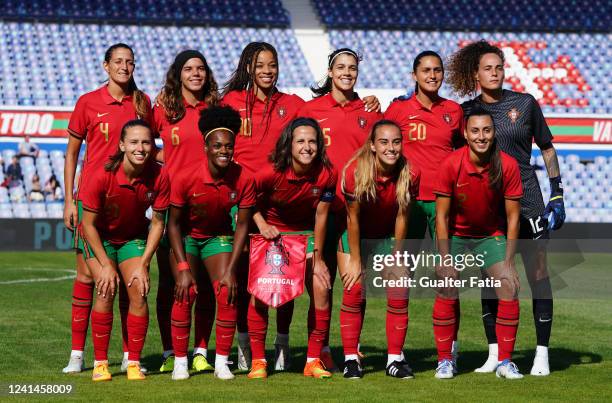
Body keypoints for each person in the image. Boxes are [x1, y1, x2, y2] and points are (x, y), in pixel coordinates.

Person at [448, 40, 564, 376]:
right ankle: (495, 353)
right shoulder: (466, 112)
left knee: (538, 274)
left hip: (527, 200)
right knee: (492, 279)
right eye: (487, 68)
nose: (494, 73)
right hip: (489, 205)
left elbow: (547, 148)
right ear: (475, 74)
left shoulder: (525, 104)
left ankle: (541, 354)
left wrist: (557, 192)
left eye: (499, 67)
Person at [62, 43, 152, 374]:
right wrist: (70, 199)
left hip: (128, 198)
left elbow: (149, 150)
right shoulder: (87, 102)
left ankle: (131, 357)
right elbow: (72, 153)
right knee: (89, 276)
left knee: (130, 284)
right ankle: (77, 354)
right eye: (118, 61)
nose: (124, 67)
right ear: (105, 66)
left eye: (130, 62)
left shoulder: (142, 103)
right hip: (92, 200)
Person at [299, 47, 383, 371]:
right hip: (317, 211)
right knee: (321, 286)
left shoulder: (370, 111)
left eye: (352, 67)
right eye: (341, 67)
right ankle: (318, 352)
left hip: (353, 215)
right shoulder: (311, 110)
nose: (347, 72)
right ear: (331, 72)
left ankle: (353, 349)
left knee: (353, 283)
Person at [434, 109, 524, 379]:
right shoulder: (451, 164)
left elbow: (513, 217)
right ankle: (445, 360)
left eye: (486, 130)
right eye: (475, 131)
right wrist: (444, 259)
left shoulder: (507, 164)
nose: (481, 136)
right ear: (465, 133)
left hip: (489, 235)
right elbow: (442, 216)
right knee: (446, 284)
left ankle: (505, 362)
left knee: (508, 284)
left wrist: (508, 262)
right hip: (456, 236)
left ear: (494, 133)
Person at [167, 105, 254, 380]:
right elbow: (174, 224)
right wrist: (182, 267)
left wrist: (231, 268)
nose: (224, 151)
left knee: (228, 291)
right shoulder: (185, 176)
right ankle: (181, 361)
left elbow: (242, 225)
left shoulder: (244, 177)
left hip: (218, 238)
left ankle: (221, 363)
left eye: (229, 146)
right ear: (206, 147)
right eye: (217, 146)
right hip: (188, 239)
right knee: (186, 291)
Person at [79, 119, 169, 381]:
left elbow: (158, 223)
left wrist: (143, 263)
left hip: (132, 238)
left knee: (139, 291)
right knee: (106, 289)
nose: (140, 148)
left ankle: (133, 363)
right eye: (134, 142)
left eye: (146, 142)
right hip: (100, 238)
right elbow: (88, 225)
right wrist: (106, 264)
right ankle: (100, 364)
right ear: (121, 145)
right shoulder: (100, 174)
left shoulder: (161, 174)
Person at [247, 117, 336, 380]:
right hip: (270, 233)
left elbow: (321, 216)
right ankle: (259, 361)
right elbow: (246, 200)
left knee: (321, 287)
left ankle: (312, 361)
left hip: (305, 236)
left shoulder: (328, 174)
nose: (307, 147)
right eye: (300, 141)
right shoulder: (269, 173)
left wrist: (318, 259)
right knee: (259, 295)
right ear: (289, 144)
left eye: (312, 141)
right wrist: (262, 225)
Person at [152, 49, 219, 374]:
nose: (196, 74)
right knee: (171, 285)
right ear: (178, 73)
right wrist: (168, 168)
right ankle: (169, 351)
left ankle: (201, 350)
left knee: (205, 287)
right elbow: (142, 144)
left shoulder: (215, 109)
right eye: (189, 69)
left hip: (208, 209)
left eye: (201, 69)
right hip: (171, 209)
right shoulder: (164, 109)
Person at [338, 120, 419, 379]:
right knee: (354, 285)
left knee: (399, 285)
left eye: (396, 142)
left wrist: (396, 258)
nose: (391, 148)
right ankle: (351, 358)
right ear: (372, 145)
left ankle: (395, 359)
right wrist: (355, 261)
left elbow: (402, 218)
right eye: (384, 142)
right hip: (356, 235)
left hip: (386, 236)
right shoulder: (353, 172)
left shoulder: (411, 173)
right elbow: (352, 220)